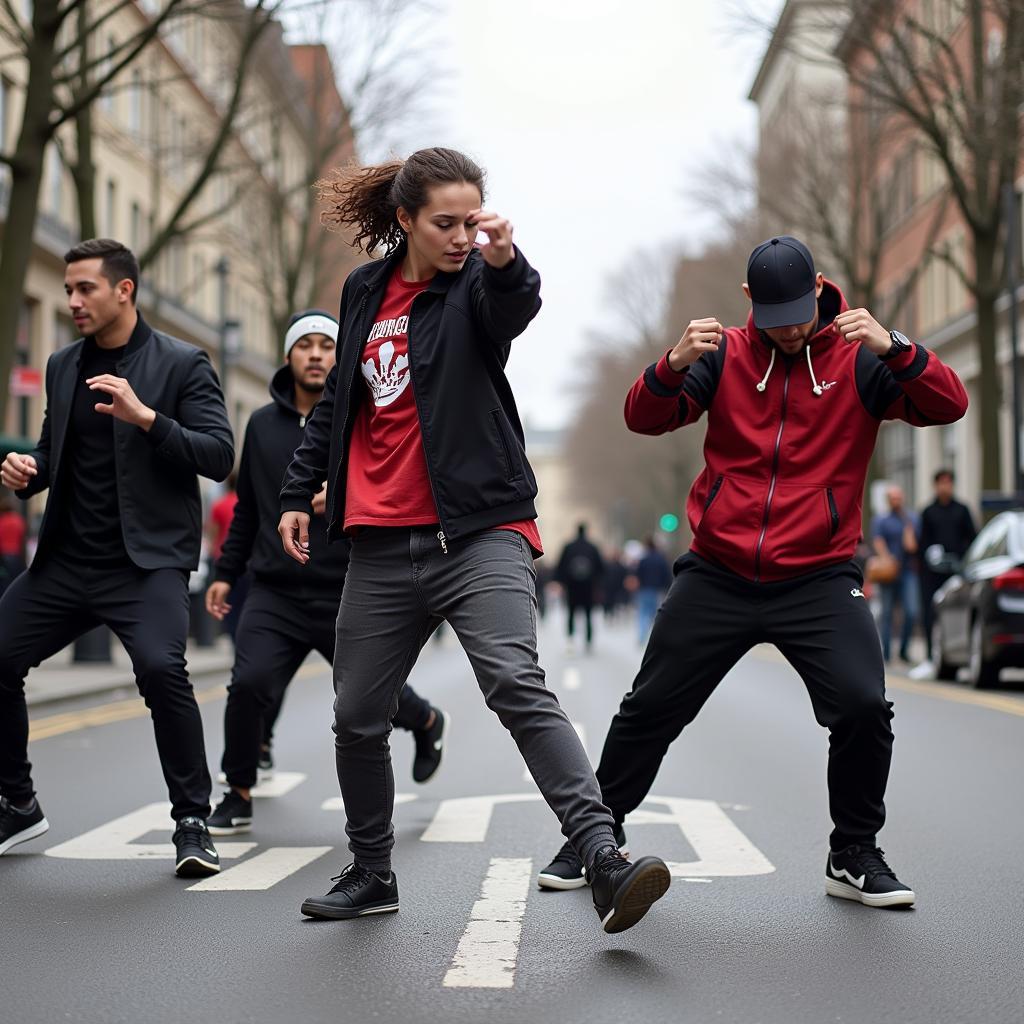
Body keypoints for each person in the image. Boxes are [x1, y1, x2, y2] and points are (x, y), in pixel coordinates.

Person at [277, 147, 670, 932]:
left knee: (514, 683)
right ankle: (372, 872)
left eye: (472, 221)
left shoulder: (475, 289)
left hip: (477, 531)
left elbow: (512, 304)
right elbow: (338, 405)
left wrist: (504, 259)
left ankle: (603, 856)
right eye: (444, 224)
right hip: (381, 543)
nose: (460, 236)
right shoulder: (363, 292)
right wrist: (298, 491)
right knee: (357, 713)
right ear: (406, 221)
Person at [538, 235, 968, 908]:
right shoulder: (728, 355)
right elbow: (642, 417)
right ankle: (593, 835)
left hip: (819, 576)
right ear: (749, 303)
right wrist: (673, 364)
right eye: (775, 318)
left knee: (862, 705)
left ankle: (853, 853)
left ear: (820, 289)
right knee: (648, 708)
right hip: (719, 571)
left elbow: (950, 405)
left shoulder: (860, 357)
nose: (791, 330)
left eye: (800, 313)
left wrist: (897, 347)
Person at [0, 238, 233, 876]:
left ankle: (192, 821)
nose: (72, 300)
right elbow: (54, 452)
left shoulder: (183, 364)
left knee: (162, 670)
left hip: (147, 564)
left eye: (85, 289)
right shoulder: (62, 364)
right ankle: (18, 801)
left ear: (123, 291)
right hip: (66, 562)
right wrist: (29, 470)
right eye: (69, 290)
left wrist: (147, 418)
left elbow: (218, 454)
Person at [205, 310, 449, 836]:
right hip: (275, 590)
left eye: (326, 345)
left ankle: (427, 721)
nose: (315, 354)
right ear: (288, 356)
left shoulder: (363, 418)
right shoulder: (262, 425)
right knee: (248, 683)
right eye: (304, 345)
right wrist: (226, 572)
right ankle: (237, 792)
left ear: (341, 358)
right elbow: (248, 506)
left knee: (369, 698)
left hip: (346, 588)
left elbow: (397, 483)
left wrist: (341, 497)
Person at [918, 468, 977, 665]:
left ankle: (958, 651)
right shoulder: (928, 512)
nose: (945, 487)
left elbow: (972, 539)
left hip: (955, 572)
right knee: (930, 611)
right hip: (932, 574)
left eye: (948, 483)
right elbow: (922, 543)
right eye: (941, 483)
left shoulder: (962, 510)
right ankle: (930, 655)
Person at [872, 485, 921, 664]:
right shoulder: (881, 520)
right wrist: (887, 558)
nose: (896, 501)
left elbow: (912, 547)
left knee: (911, 611)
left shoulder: (912, 519)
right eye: (893, 498)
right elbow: (878, 541)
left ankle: (903, 650)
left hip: (908, 571)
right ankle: (885, 652)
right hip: (888, 572)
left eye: (898, 498)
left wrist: (908, 529)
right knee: (887, 612)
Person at [556, 523, 605, 652]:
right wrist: (597, 584)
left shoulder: (568, 547)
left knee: (571, 614)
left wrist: (562, 583)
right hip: (589, 588)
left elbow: (560, 567)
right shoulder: (593, 548)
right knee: (588, 614)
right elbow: (601, 568)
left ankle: (570, 641)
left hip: (572, 588)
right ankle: (588, 642)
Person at [632, 536, 671, 644]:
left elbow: (637, 574)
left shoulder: (643, 560)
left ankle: (641, 635)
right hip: (657, 590)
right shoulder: (661, 559)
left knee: (643, 612)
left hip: (644, 589)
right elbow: (666, 575)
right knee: (654, 613)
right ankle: (655, 636)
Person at [0, 493, 27, 595]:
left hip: (4, 558)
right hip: (16, 556)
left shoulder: (1, 521)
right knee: (15, 582)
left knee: (4, 584)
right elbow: (22, 542)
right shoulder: (18, 520)